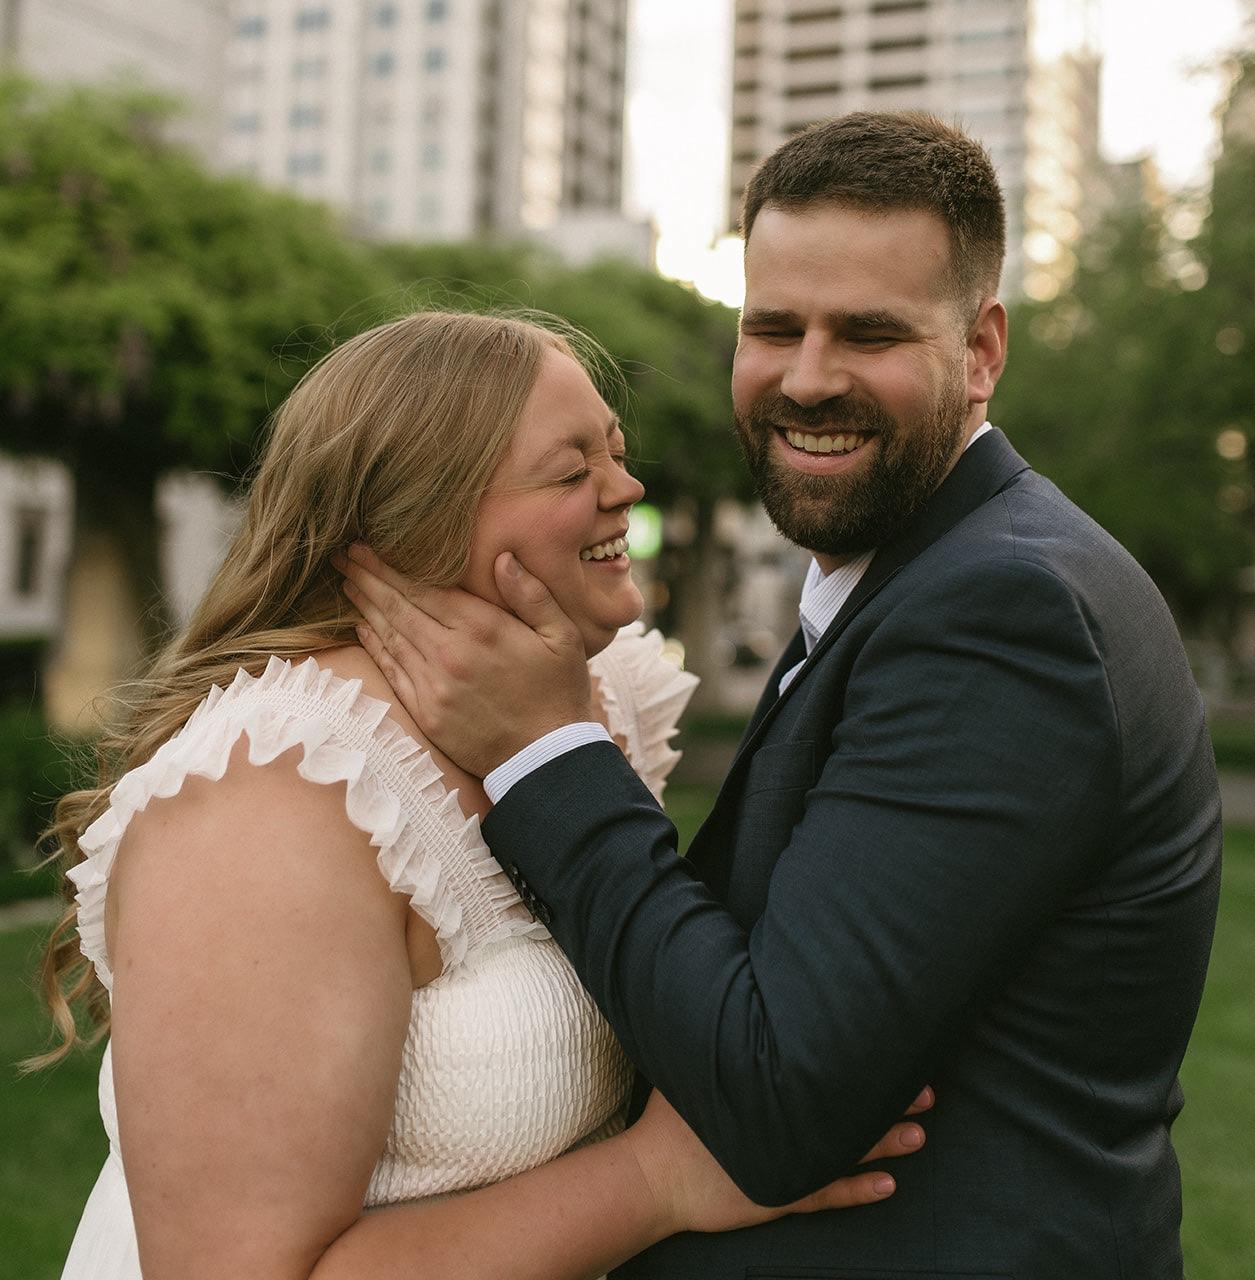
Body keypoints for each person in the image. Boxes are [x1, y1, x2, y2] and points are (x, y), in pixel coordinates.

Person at [339, 113, 1223, 1279]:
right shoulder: (913, 572)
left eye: (867, 332)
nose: (805, 378)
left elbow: (775, 1095)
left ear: (980, 350)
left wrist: (543, 744)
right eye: (771, 328)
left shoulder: (1003, 611)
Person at [35, 310, 932, 1280]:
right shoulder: (276, 787)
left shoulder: (592, 700)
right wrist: (661, 1178)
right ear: (418, 518)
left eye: (617, 454)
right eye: (571, 471)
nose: (625, 490)